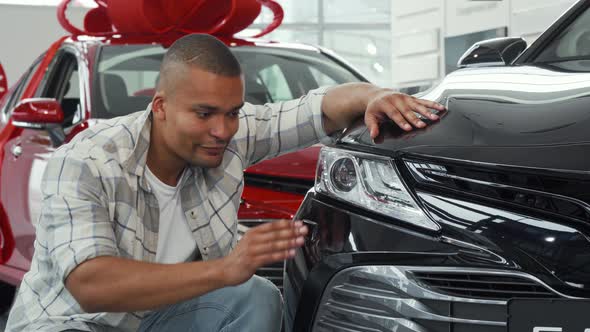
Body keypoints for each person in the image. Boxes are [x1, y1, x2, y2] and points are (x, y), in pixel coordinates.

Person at [6, 33, 444, 332]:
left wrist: (374, 96)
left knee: (253, 296)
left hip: (155, 316)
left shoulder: (230, 135)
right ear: (160, 107)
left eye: (232, 112)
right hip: (73, 323)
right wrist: (224, 268)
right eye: (204, 113)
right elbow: (90, 284)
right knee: (237, 281)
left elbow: (320, 108)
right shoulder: (85, 161)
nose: (223, 129)